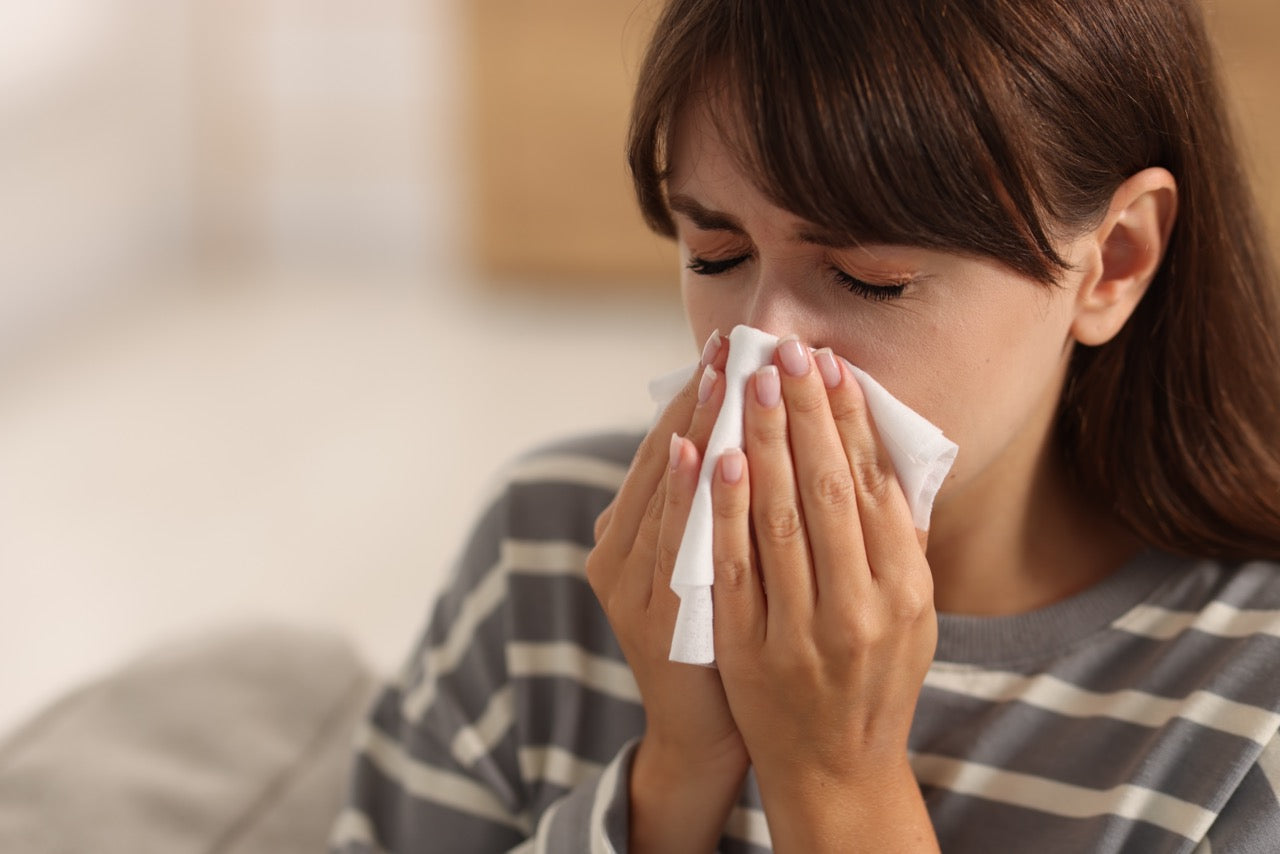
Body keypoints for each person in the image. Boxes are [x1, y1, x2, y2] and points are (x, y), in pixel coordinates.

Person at [330, 0, 1280, 851]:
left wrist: (837, 783)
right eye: (716, 253)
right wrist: (669, 786)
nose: (761, 340)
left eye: (870, 278)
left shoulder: (1243, 717)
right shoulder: (549, 554)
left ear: (1113, 259)